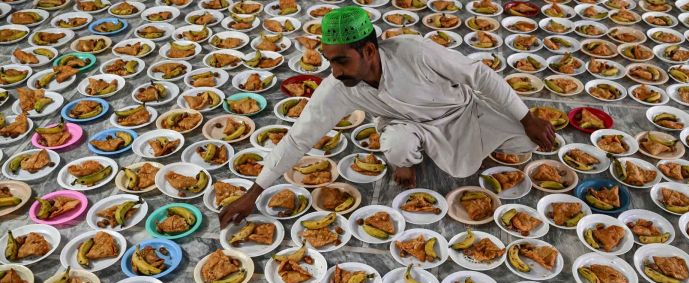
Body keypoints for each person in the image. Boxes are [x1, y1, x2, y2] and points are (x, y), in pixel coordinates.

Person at [219, 6, 554, 228]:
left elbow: (479, 76)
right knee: (396, 145)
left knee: (528, 142)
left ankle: (476, 146)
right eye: (330, 61)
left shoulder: (415, 52)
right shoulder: (338, 86)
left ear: (368, 51)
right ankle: (409, 160)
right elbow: (298, 138)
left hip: (464, 110)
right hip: (407, 127)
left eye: (341, 61)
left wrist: (527, 119)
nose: (334, 71)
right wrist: (254, 192)